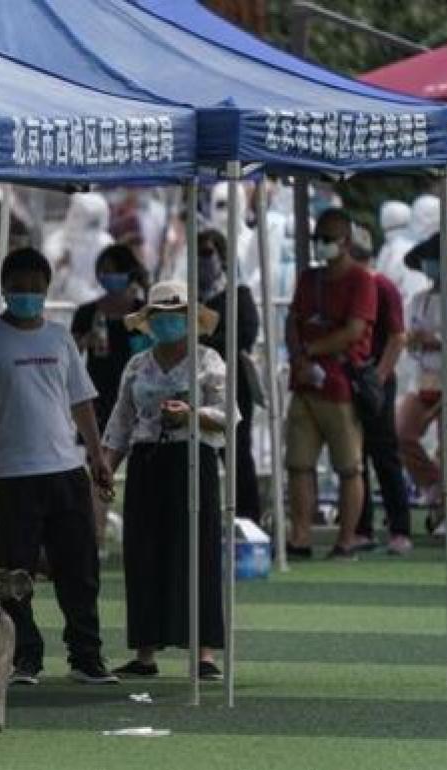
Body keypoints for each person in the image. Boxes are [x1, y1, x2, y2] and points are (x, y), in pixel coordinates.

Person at [0, 247, 117, 686]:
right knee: (14, 572)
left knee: (80, 569)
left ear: (47, 289)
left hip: (65, 468)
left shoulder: (60, 338)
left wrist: (97, 455)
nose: (27, 295)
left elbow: (81, 400)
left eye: (35, 288)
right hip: (11, 472)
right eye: (18, 288)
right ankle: (25, 656)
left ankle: (87, 656)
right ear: (4, 289)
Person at [102, 280, 229, 680]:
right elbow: (121, 422)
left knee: (198, 551)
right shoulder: (137, 365)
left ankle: (205, 652)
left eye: (177, 316)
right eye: (161, 317)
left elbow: (229, 415)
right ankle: (145, 652)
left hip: (193, 458)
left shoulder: (208, 360)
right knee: (144, 554)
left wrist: (191, 414)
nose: (169, 323)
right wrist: (106, 465)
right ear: (150, 321)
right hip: (147, 461)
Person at [284, 208, 378, 560]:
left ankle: (346, 538)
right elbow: (292, 321)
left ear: (346, 241)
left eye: (328, 239)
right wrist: (299, 358)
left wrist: (310, 349)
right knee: (298, 464)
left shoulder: (362, 280)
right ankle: (301, 536)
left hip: (340, 386)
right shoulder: (309, 279)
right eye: (317, 239)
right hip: (305, 384)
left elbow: (354, 331)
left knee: (349, 467)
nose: (321, 245)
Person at [397, 242, 447, 532]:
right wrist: (413, 339)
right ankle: (434, 485)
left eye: (435, 260)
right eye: (426, 261)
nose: (430, 266)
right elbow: (408, 337)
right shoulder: (418, 299)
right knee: (402, 433)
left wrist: (435, 339)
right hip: (424, 378)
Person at [348, 241, 413, 555]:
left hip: (375, 377)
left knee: (383, 452)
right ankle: (360, 527)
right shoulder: (348, 286)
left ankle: (400, 528)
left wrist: (378, 378)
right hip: (352, 376)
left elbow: (398, 337)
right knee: (353, 454)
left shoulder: (382, 287)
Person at [196, 229, 263, 523]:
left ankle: (249, 520)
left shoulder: (239, 294)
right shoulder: (189, 298)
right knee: (198, 455)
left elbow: (244, 335)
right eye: (197, 254)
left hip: (233, 383)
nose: (202, 261)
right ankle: (205, 521)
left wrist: (204, 340)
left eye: (208, 253)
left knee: (237, 454)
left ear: (223, 257)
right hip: (197, 386)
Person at [70, 244, 153, 431]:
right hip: (99, 398)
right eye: (103, 271)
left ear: (127, 273)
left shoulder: (142, 312)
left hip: (137, 398)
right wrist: (85, 341)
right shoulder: (87, 312)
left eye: (113, 271)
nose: (107, 276)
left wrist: (148, 288)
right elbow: (70, 354)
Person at [42, 192, 114, 305]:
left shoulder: (106, 244)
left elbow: (108, 286)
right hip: (60, 309)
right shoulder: (55, 244)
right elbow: (51, 285)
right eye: (89, 221)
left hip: (94, 309)